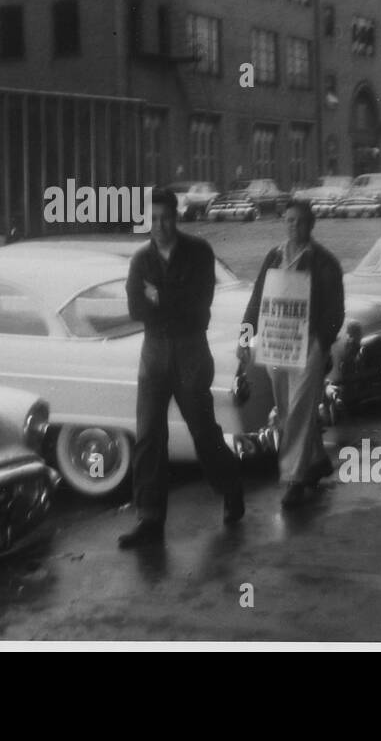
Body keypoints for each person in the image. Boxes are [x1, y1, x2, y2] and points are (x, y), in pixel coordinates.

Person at [119, 188, 244, 549]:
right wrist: (161, 300)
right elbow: (134, 309)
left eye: (166, 217)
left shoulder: (199, 252)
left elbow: (199, 306)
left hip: (191, 352)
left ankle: (231, 487)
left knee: (202, 431)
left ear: (177, 217)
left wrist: (159, 297)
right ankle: (149, 518)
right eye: (153, 218)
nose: (159, 225)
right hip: (154, 354)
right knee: (148, 436)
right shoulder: (140, 260)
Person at [239, 202, 344, 508]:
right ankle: (317, 459)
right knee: (288, 410)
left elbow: (335, 311)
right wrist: (245, 338)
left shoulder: (325, 263)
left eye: (299, 222)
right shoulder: (273, 256)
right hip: (276, 343)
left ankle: (293, 479)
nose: (293, 227)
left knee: (298, 409)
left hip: (308, 345)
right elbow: (258, 299)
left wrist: (322, 344)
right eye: (289, 221)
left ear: (311, 225)